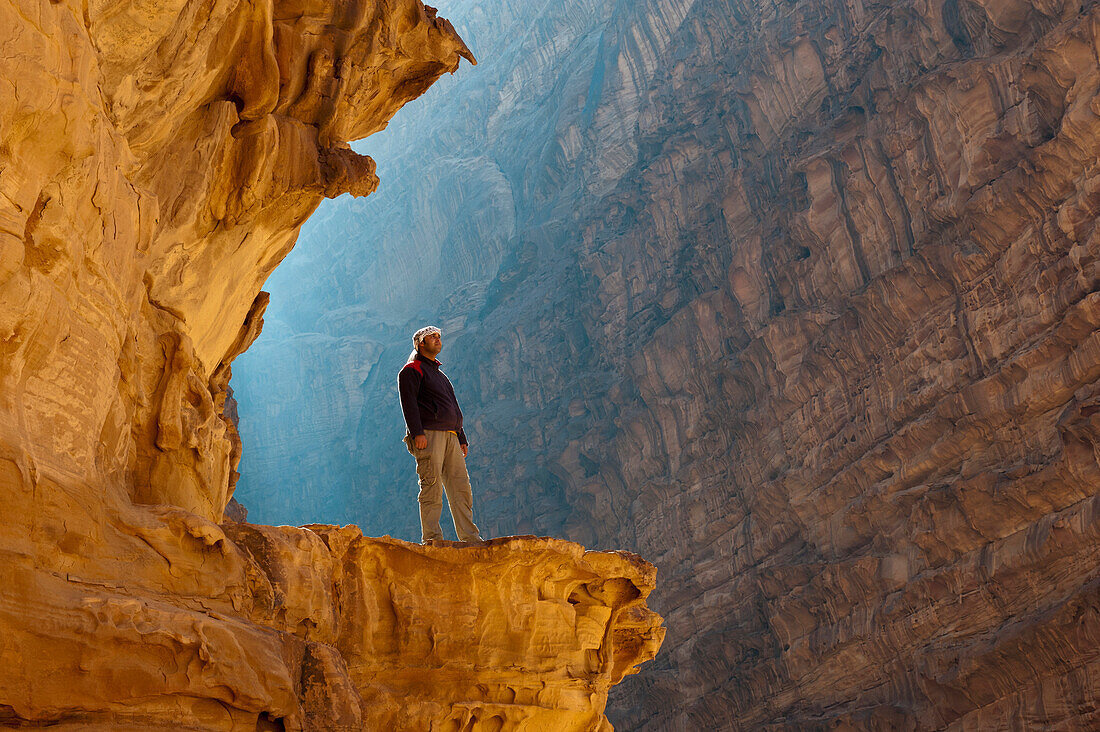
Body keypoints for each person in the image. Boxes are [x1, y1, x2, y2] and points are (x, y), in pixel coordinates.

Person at [398, 325, 483, 543]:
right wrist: (417, 433)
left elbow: (452, 406)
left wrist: (461, 437)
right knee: (431, 485)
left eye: (438, 336)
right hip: (428, 434)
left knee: (460, 487)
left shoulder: (440, 375)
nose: (437, 339)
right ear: (420, 343)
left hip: (451, 436)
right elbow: (409, 404)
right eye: (431, 337)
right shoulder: (411, 370)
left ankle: (470, 538)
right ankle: (432, 538)